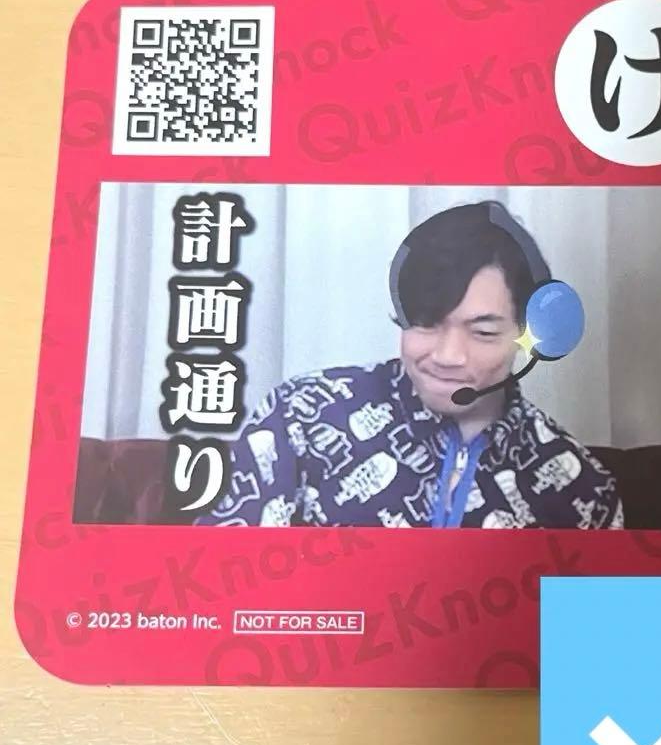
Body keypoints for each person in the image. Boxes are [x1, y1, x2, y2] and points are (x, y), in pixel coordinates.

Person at [196, 201, 623, 529]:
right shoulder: (301, 415)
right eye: (427, 323)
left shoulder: (583, 486)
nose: (447, 356)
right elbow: (218, 583)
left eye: (483, 332)